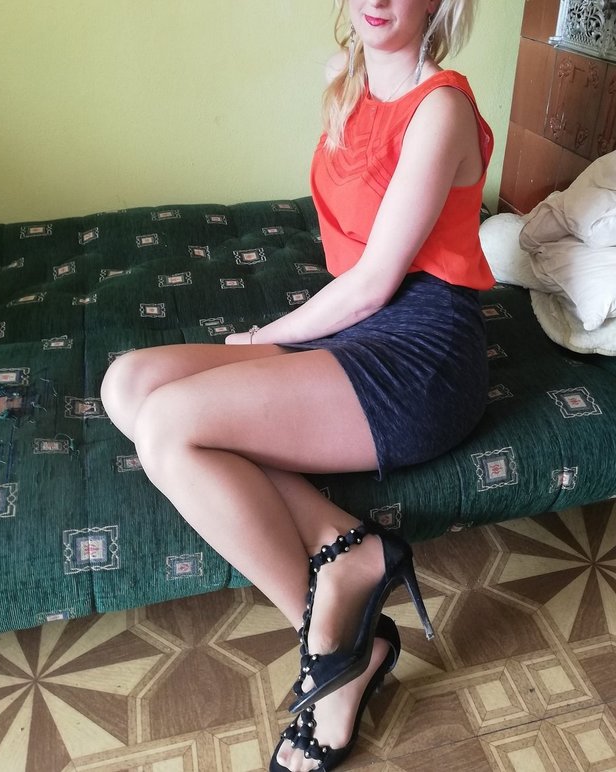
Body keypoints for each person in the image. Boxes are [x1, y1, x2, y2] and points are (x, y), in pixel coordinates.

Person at [100, 0, 494, 769]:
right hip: (355, 329)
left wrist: (260, 338)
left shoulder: (441, 106)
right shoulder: (344, 78)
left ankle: (333, 647)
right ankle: (348, 553)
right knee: (128, 384)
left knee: (170, 425)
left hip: (424, 353)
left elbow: (374, 282)